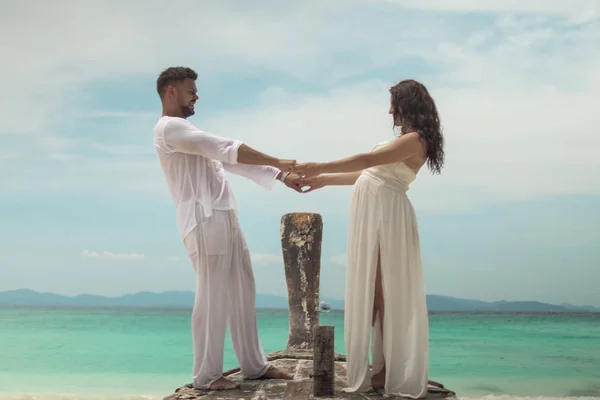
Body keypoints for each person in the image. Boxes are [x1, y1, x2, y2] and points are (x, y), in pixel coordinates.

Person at [295, 79, 444, 398]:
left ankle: (389, 369)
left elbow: (365, 161)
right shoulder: (406, 140)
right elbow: (366, 174)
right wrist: (322, 180)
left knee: (384, 294)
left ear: (409, 105)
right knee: (375, 293)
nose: (390, 110)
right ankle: (381, 367)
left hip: (386, 215)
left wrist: (316, 165)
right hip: (376, 211)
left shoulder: (415, 140)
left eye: (394, 104)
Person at [153, 66, 299, 391]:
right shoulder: (169, 129)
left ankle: (255, 365)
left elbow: (229, 161)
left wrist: (281, 175)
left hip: (223, 217)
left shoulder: (185, 131)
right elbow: (225, 146)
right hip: (203, 220)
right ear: (172, 92)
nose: (197, 96)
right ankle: (207, 376)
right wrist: (279, 161)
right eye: (191, 90)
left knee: (243, 287)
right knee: (213, 294)